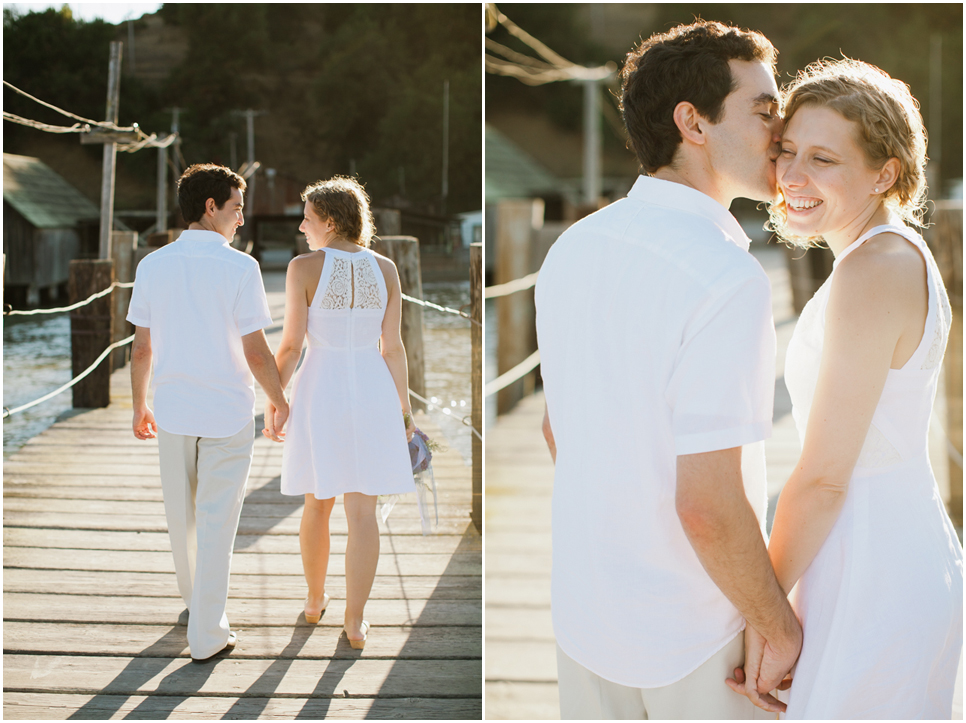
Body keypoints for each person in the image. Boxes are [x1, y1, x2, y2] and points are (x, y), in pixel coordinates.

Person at [534, 20, 801, 719]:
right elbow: (708, 503)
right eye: (764, 109)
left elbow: (557, 429)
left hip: (587, 614)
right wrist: (778, 626)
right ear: (694, 122)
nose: (782, 130)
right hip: (694, 634)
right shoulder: (726, 278)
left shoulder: (571, 249)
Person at [728, 58, 964, 719]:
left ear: (884, 172)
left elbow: (825, 476)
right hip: (876, 548)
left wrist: (765, 612)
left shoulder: (877, 268)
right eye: (787, 151)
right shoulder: (888, 255)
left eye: (824, 158)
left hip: (876, 566)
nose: (793, 177)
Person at [128, 163, 289, 662]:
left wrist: (139, 405)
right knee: (218, 523)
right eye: (237, 208)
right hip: (227, 412)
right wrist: (280, 399)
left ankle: (194, 604)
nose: (241, 219)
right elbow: (257, 353)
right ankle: (207, 632)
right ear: (210, 207)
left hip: (173, 411)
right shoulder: (241, 268)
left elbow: (140, 349)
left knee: (183, 520)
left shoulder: (152, 266)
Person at [265, 176, 415, 649]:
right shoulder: (386, 268)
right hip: (372, 387)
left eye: (308, 219)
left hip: (321, 387)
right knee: (363, 511)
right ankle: (354, 622)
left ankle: (314, 601)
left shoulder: (302, 268)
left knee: (318, 501)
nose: (303, 228)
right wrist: (404, 411)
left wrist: (275, 398)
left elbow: (289, 346)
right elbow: (393, 348)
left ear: (329, 222)